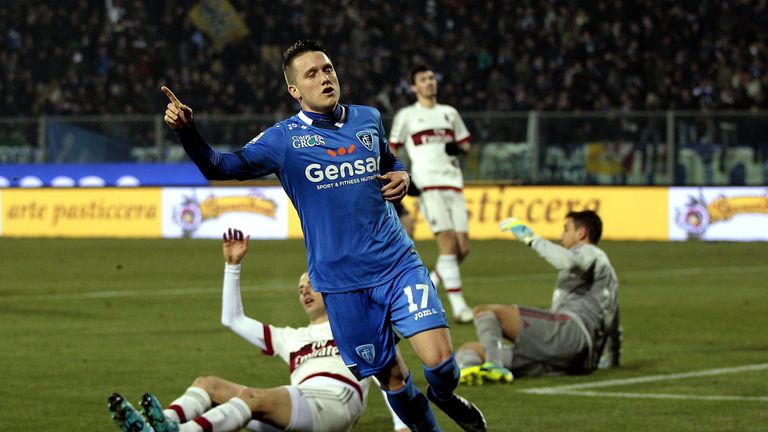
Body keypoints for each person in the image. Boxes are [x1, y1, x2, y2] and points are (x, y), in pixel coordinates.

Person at [161, 40, 485, 432]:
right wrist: (188, 131)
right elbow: (220, 166)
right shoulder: (282, 141)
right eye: (311, 74)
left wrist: (403, 174)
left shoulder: (368, 118)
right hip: (341, 282)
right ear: (295, 91)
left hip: (395, 263)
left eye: (327, 68)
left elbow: (389, 161)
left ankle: (445, 395)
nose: (324, 78)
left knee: (440, 364)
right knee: (393, 380)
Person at [108, 228, 408, 432]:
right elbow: (233, 319)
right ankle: (161, 424)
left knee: (254, 397)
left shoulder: (356, 325)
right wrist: (232, 266)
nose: (304, 292)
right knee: (208, 384)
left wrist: (401, 425)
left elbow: (389, 374)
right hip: (298, 404)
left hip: (338, 401)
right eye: (300, 288)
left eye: (310, 286)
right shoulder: (291, 337)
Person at [456, 210, 622, 384]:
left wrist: (531, 238)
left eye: (566, 229)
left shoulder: (590, 252)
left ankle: (494, 367)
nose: (561, 235)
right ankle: (469, 369)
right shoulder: (607, 280)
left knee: (486, 311)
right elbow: (614, 321)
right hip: (575, 361)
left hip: (569, 334)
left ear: (581, 233)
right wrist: (613, 358)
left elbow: (568, 262)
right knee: (471, 349)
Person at [388, 64, 474, 323]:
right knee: (447, 245)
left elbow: (466, 144)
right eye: (423, 80)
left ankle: (431, 287)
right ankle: (459, 308)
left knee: (463, 248)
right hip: (429, 187)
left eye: (431, 78)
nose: (430, 83)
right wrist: (403, 174)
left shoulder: (449, 113)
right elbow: (391, 149)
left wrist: (457, 150)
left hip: (454, 185)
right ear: (414, 87)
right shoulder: (407, 116)